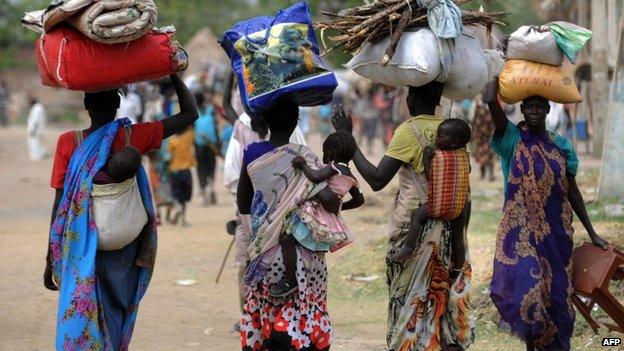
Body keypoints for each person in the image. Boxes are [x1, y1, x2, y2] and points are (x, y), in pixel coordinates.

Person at [45, 74, 197, 350]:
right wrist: (173, 73)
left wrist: (51, 257)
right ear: (118, 103)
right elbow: (190, 114)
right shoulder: (134, 136)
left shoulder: (69, 143)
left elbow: (60, 204)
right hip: (125, 242)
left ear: (86, 105)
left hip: (82, 245)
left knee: (85, 306)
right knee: (117, 307)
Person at [333, 80, 474, 351]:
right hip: (449, 230)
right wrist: (459, 240)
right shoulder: (453, 131)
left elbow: (376, 180)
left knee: (409, 309)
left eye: (409, 92)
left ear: (414, 99)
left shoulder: (408, 132)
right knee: (441, 307)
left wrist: (350, 144)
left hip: (416, 235)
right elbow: (461, 192)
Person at [484, 79, 608, 351]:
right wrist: (497, 66)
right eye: (529, 107)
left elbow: (572, 191)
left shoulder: (561, 144)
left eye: (540, 107)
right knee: (530, 296)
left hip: (557, 235)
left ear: (549, 110)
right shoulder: (512, 139)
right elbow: (491, 100)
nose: (535, 112)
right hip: (522, 235)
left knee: (558, 300)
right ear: (522, 110)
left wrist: (592, 232)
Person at [237, 99, 339, 351]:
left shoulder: (251, 153)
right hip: (304, 254)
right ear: (296, 121)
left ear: (265, 121)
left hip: (265, 253)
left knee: (267, 313)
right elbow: (330, 201)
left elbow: (243, 203)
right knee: (304, 312)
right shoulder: (303, 156)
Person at [222, 76, 307, 331]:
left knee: (259, 264)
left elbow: (236, 184)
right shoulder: (243, 129)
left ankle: (263, 316)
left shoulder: (259, 143)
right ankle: (261, 315)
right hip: (277, 218)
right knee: (256, 265)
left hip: (260, 218)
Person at [270, 131, 365, 297]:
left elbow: (315, 177)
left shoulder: (333, 167)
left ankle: (290, 280)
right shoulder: (351, 176)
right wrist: (340, 209)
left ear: (330, 153)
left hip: (315, 214)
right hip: (328, 219)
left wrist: (302, 165)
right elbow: (359, 200)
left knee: (287, 240)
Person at [389, 118, 471, 264]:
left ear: (453, 142)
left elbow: (432, 177)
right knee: (458, 238)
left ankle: (408, 247)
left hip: (440, 203)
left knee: (417, 215)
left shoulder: (440, 157)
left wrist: (427, 159)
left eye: (441, 136)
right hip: (460, 206)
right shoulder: (464, 157)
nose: (437, 138)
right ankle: (459, 267)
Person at [193, 92, 220, 205]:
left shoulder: (209, 111)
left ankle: (209, 192)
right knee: (205, 169)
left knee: (207, 169)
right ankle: (207, 192)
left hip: (208, 145)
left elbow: (215, 126)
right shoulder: (198, 113)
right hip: (202, 145)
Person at [168, 125, 196, 226]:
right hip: (185, 170)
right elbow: (191, 126)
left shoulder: (172, 141)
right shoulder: (188, 137)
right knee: (185, 196)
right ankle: (183, 219)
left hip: (174, 170)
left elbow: (169, 155)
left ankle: (177, 206)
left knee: (176, 193)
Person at [471, 97, 497, 181]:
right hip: (480, 136)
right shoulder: (478, 106)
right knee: (481, 156)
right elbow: (475, 120)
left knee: (490, 155)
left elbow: (494, 121)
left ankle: (491, 175)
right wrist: (474, 135)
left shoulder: (491, 106)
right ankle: (482, 175)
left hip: (489, 135)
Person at [26, 96, 48, 161]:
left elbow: (36, 120)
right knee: (36, 142)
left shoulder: (37, 108)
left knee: (34, 142)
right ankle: (40, 153)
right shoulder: (38, 107)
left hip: (35, 128)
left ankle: (36, 155)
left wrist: (33, 129)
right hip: (36, 128)